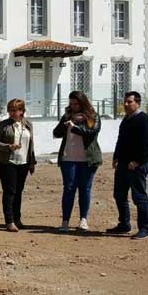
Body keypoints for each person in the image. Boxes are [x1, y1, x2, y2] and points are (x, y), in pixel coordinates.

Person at [107, 91, 148, 239]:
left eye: (129, 102)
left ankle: (145, 228)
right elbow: (120, 140)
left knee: (139, 196)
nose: (126, 104)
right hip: (123, 164)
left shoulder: (144, 120)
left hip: (137, 166)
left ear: (137, 103)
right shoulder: (126, 120)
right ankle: (124, 224)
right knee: (119, 195)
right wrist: (116, 157)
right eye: (125, 102)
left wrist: (137, 161)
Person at [53, 91, 102, 232]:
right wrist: (66, 123)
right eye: (71, 104)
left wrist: (75, 127)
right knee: (69, 189)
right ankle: (65, 221)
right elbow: (56, 133)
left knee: (85, 189)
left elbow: (92, 133)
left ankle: (83, 220)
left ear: (82, 103)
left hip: (88, 159)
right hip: (68, 158)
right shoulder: (68, 116)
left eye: (76, 103)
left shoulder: (93, 116)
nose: (73, 106)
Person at [0, 98, 36, 232]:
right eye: (10, 110)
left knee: (19, 192)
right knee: (10, 191)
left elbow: (31, 144)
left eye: (15, 110)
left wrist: (32, 162)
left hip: (23, 162)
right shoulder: (4, 125)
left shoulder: (28, 124)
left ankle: (17, 219)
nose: (11, 113)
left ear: (22, 111)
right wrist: (8, 146)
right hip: (7, 162)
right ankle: (9, 221)